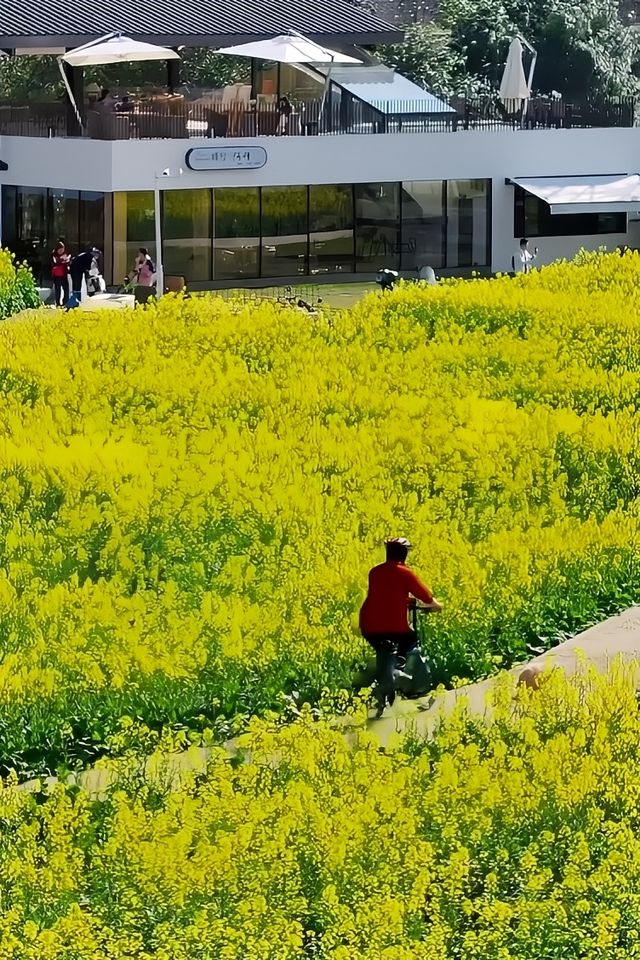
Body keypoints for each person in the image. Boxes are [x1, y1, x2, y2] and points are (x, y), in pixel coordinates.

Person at [360, 538, 442, 717]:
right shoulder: (405, 573)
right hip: (393, 627)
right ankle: (397, 675)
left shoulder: (375, 572)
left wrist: (407, 600)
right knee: (409, 640)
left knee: (385, 649)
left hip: (368, 624)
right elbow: (426, 596)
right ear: (404, 554)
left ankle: (380, 679)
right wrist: (436, 605)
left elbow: (385, 594)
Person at [50, 240, 70, 307]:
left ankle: (65, 302)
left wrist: (67, 261)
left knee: (66, 289)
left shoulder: (65, 254)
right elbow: (54, 263)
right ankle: (58, 302)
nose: (61, 251)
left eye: (62, 249)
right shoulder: (54, 255)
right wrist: (62, 260)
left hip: (64, 274)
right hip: (57, 275)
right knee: (58, 289)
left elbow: (67, 261)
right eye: (60, 250)